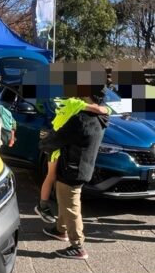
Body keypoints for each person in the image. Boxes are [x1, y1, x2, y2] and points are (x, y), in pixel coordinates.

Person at [39, 96, 109, 259]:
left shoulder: (80, 120)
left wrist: (43, 143)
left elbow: (55, 139)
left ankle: (77, 246)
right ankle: (60, 230)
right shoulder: (102, 116)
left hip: (72, 168)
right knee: (65, 199)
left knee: (71, 206)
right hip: (83, 166)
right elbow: (104, 109)